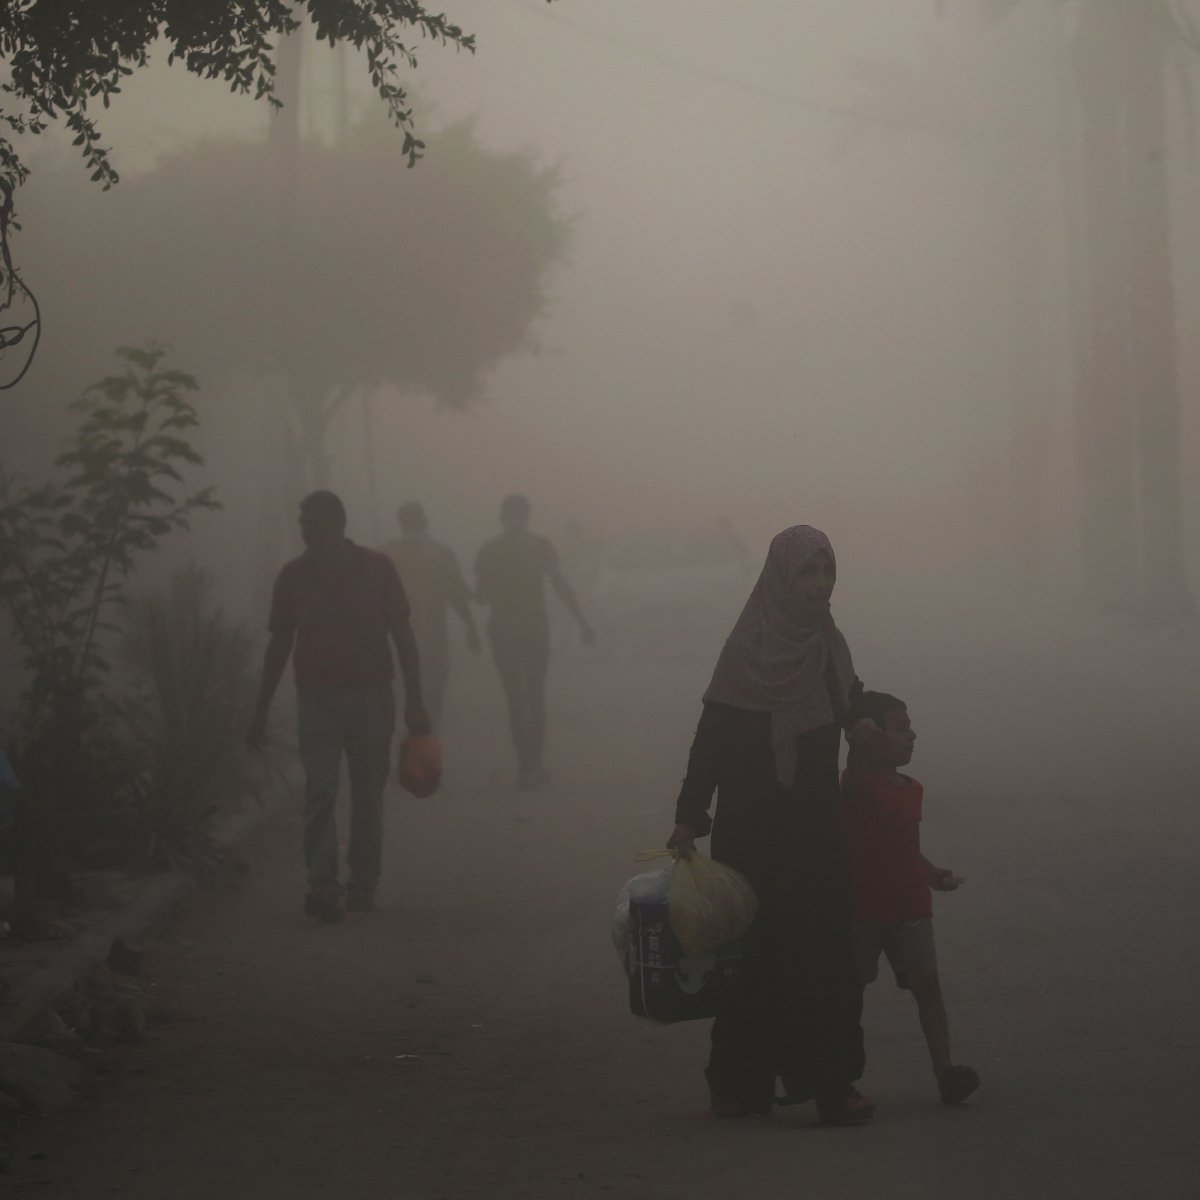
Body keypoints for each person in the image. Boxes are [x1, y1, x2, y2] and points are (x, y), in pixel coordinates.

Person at [668, 525, 873, 1124]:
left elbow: (853, 704)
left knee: (827, 959)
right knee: (753, 960)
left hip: (816, 830)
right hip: (752, 834)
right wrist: (687, 816)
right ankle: (739, 1082)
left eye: (827, 571)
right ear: (781, 578)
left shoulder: (829, 648)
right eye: (808, 572)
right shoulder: (747, 649)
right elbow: (710, 741)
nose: (819, 583)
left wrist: (869, 725)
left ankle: (834, 1086)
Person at [247, 490, 430, 923]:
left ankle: (362, 882)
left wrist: (416, 702)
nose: (307, 533)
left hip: (372, 694)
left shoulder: (378, 569)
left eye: (315, 525)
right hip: (317, 698)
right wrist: (259, 710)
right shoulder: (292, 577)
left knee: (367, 791)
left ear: (339, 526)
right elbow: (279, 644)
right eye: (304, 526)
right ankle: (323, 886)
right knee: (320, 790)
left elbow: (403, 636)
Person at [842, 688, 981, 1105]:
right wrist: (857, 740)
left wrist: (931, 873)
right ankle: (842, 1077)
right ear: (873, 737)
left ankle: (946, 1071)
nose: (912, 736)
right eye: (901, 729)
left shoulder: (911, 788)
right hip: (861, 910)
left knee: (928, 986)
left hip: (909, 907)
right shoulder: (857, 783)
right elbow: (854, 769)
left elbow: (902, 846)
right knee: (848, 992)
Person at [474, 493, 594, 789]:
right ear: (527, 516)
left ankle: (524, 765)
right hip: (534, 631)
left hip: (503, 632)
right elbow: (560, 586)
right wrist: (582, 622)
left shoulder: (489, 550)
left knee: (515, 699)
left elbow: (482, 596)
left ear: (502, 517)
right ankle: (536, 765)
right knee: (536, 696)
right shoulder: (540, 547)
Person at [380, 501, 481, 733]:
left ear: (401, 523)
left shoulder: (386, 553)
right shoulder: (440, 553)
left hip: (396, 637)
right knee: (434, 691)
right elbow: (458, 596)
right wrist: (471, 628)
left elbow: (371, 597)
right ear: (425, 521)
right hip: (433, 637)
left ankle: (405, 743)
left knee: (401, 691)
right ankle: (427, 741)